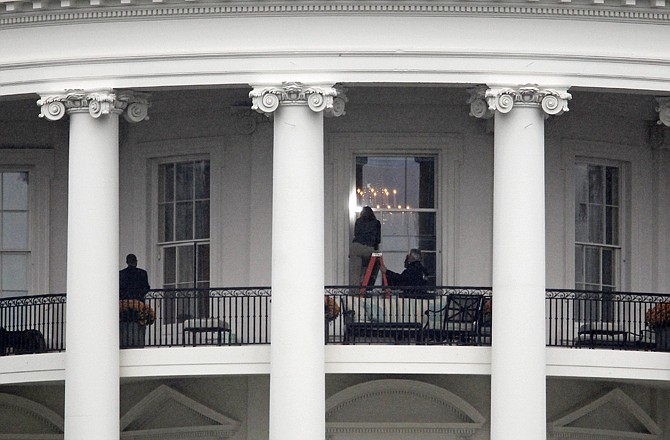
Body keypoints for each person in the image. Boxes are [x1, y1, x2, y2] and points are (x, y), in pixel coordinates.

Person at [349, 206, 381, 286]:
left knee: (355, 272)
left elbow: (356, 234)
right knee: (374, 264)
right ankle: (367, 287)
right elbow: (378, 239)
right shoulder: (376, 223)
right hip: (369, 247)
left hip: (356, 247)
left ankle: (354, 293)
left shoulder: (358, 221)